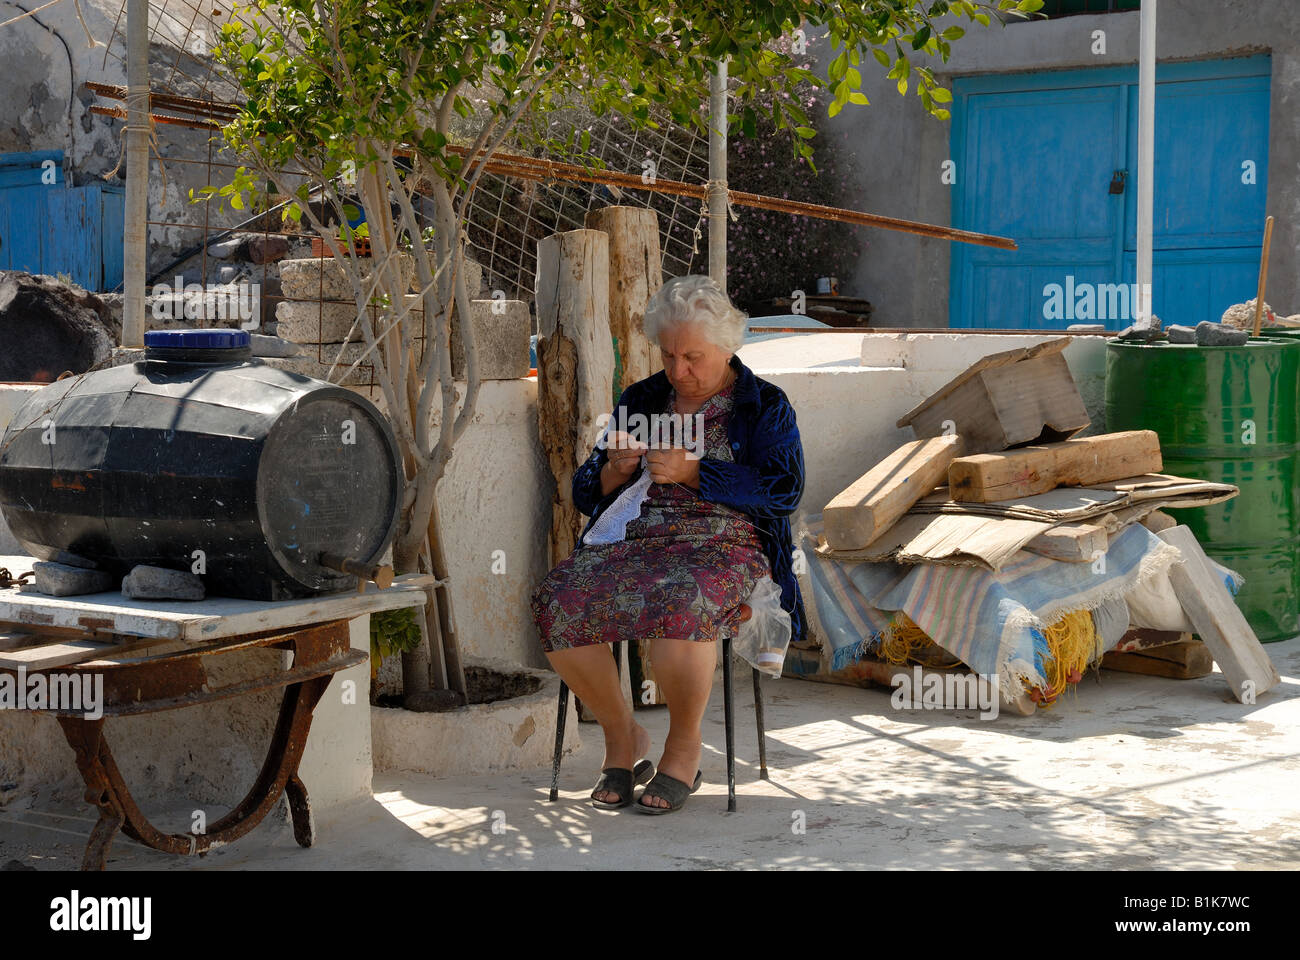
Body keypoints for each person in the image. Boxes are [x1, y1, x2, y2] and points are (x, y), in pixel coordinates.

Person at [530, 274, 806, 814]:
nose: (678, 371)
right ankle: (622, 737)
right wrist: (613, 469)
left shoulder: (764, 405)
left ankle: (683, 749)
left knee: (682, 600)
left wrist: (697, 472)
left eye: (693, 357)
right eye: (670, 354)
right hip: (636, 542)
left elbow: (783, 489)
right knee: (556, 598)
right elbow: (587, 492)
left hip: (725, 544)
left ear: (728, 348)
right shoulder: (643, 396)